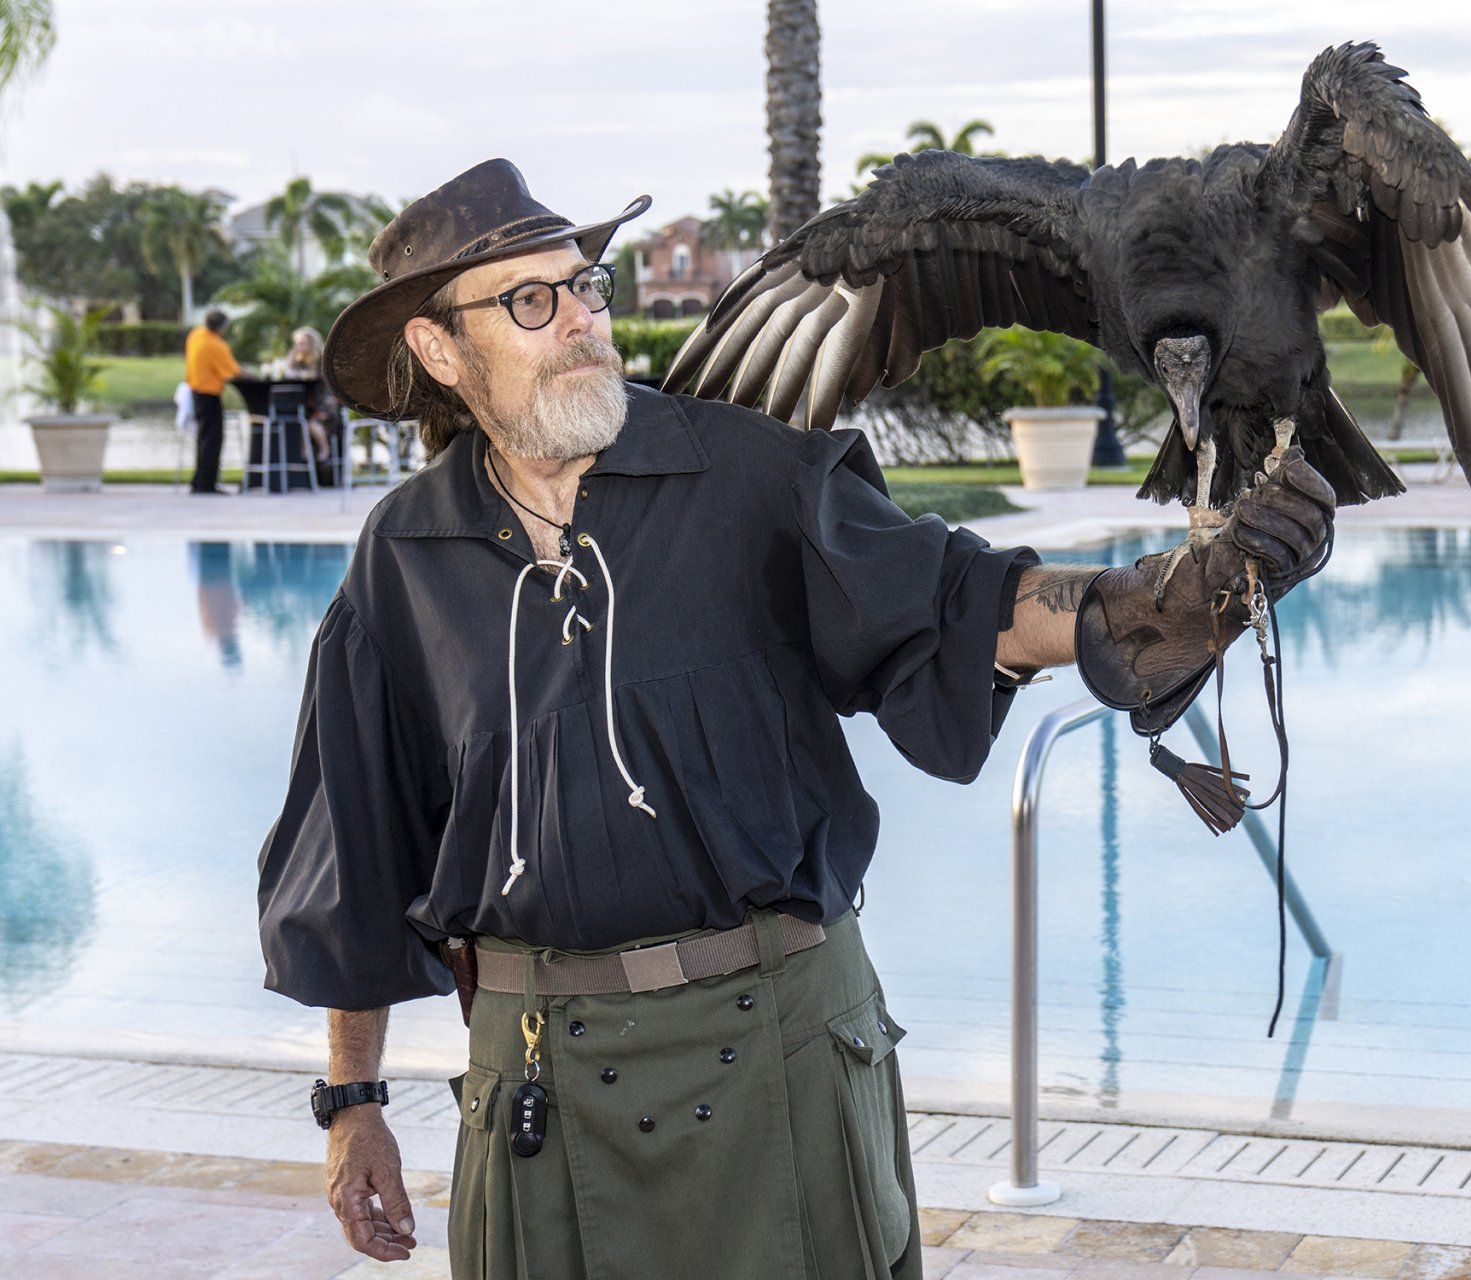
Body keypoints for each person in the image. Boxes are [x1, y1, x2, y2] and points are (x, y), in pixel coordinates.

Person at [255, 159, 1336, 1280]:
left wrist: (1158, 602)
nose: (582, 317)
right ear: (440, 349)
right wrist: (352, 1101)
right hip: (536, 1093)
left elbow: (954, 597)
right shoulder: (405, 557)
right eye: (533, 300)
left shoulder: (744, 473)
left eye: (585, 284)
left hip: (774, 1050)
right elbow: (356, 847)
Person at [183, 309, 245, 493]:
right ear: (221, 327)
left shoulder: (196, 335)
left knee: (203, 437)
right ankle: (207, 484)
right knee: (212, 439)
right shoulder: (215, 344)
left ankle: (198, 481)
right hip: (209, 394)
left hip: (195, 391)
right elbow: (233, 371)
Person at [283, 326, 336, 467]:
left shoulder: (322, 361)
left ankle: (324, 449)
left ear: (311, 343)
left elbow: (321, 383)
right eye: (297, 344)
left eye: (302, 343)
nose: (298, 347)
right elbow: (288, 374)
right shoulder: (300, 362)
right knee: (300, 421)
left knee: (310, 422)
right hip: (307, 405)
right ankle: (305, 454)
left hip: (323, 405)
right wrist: (292, 357)